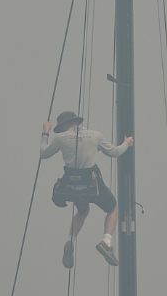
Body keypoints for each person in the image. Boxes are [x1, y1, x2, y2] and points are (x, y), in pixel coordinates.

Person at [41, 111, 134, 267]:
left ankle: (70, 240)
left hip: (71, 187)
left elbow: (43, 154)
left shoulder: (60, 138)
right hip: (92, 185)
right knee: (113, 207)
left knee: (83, 211)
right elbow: (115, 152)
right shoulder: (95, 135)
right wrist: (127, 143)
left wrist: (45, 132)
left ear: (64, 126)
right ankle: (106, 241)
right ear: (77, 122)